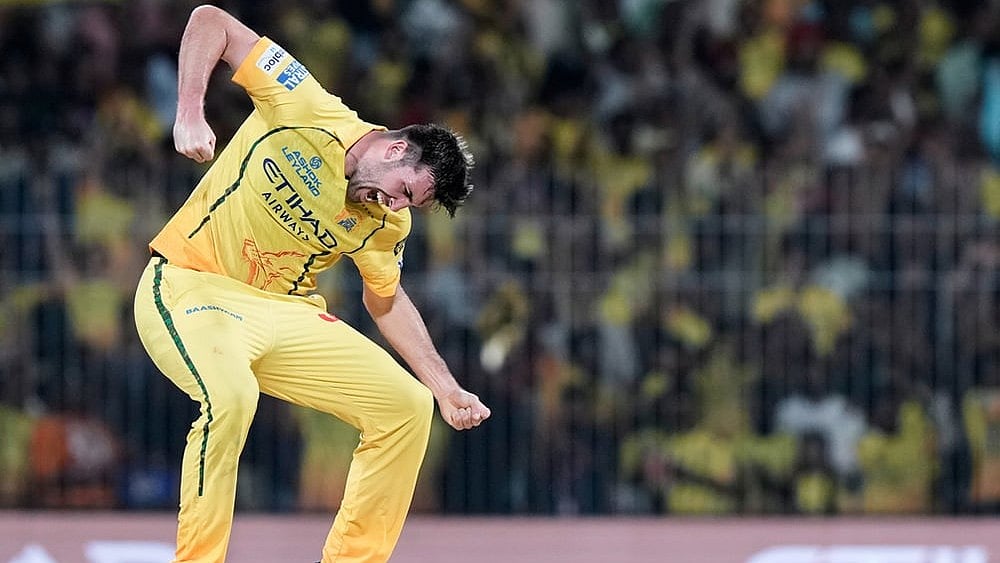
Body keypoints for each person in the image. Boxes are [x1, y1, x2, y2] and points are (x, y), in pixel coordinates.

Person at [132, 5, 491, 562]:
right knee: (231, 398)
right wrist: (189, 113)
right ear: (395, 148)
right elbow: (210, 21)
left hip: (286, 314)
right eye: (403, 190)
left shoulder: (387, 221)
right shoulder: (304, 103)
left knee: (406, 407)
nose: (396, 205)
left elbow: (386, 299)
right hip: (192, 287)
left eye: (409, 204)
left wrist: (445, 387)